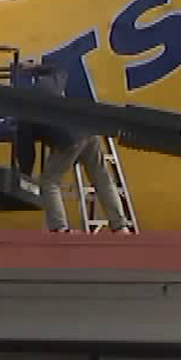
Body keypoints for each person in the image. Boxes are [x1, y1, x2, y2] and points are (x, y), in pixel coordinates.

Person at [31, 63, 133, 234]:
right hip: (87, 128)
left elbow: (26, 149)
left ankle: (59, 228)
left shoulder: (21, 107)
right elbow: (59, 69)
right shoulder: (53, 83)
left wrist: (24, 175)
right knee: (102, 177)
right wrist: (34, 68)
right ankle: (120, 225)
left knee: (49, 181)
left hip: (69, 139)